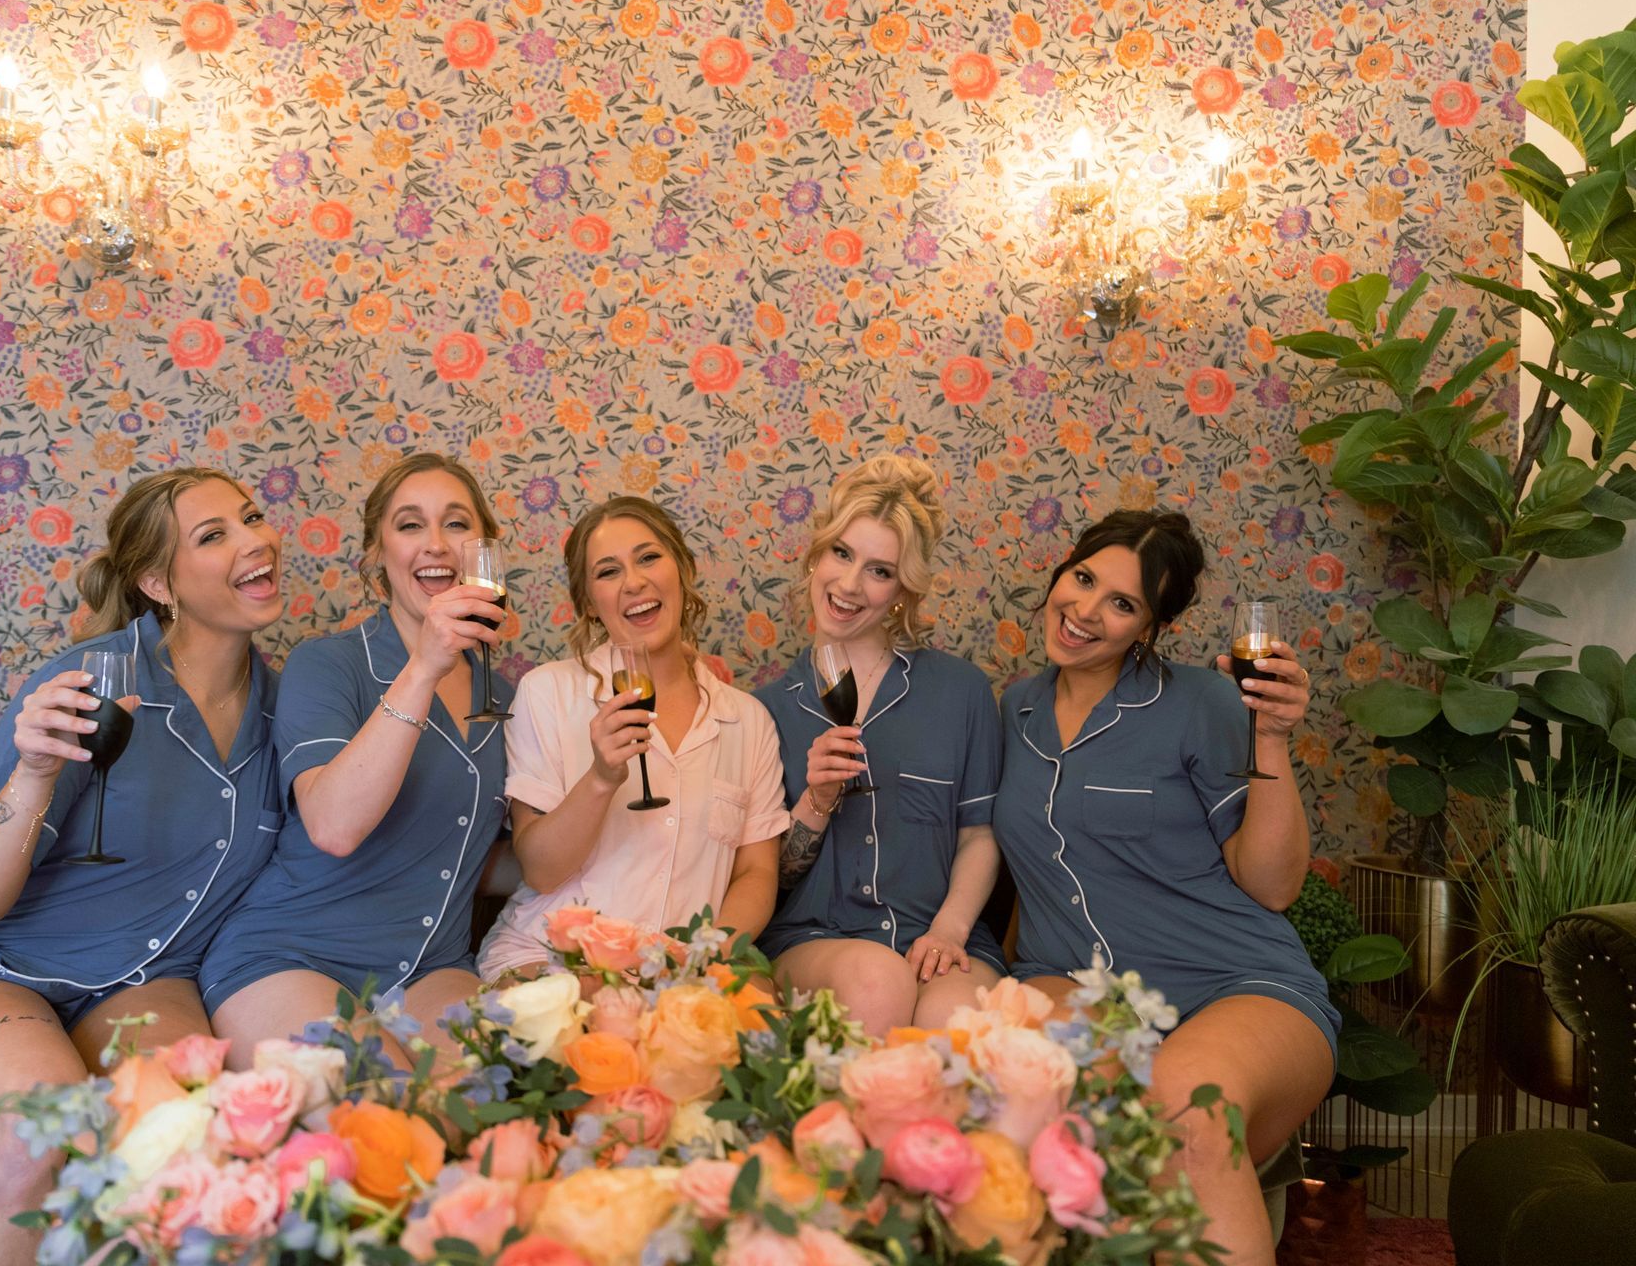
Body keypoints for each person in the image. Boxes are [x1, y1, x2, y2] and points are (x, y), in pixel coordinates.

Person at [0, 467, 285, 1265]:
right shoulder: (94, 684)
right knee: (30, 1128)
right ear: (158, 583)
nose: (255, 540)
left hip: (147, 979)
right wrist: (33, 773)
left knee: (190, 1141)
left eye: (252, 517)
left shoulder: (289, 709)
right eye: (214, 535)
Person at [993, 509, 1337, 1266]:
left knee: (1185, 1107)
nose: (1085, 610)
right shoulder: (1013, 711)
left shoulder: (1202, 702)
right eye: (1083, 578)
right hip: (1069, 979)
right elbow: (1017, 866)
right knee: (1041, 1103)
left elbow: (1273, 887)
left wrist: (1272, 738)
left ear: (1150, 628)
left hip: (1237, 981)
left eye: (1121, 603)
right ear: (1061, 572)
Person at [201, 453, 510, 1065]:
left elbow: (480, 854)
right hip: (291, 958)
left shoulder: (507, 698)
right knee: (380, 1101)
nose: (435, 544)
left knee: (501, 1098)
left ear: (484, 553)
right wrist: (425, 666)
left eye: (455, 523)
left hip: (430, 968)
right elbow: (333, 827)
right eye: (410, 525)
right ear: (377, 555)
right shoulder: (328, 665)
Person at [477, 496, 787, 981]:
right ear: (588, 603)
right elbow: (540, 871)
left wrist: (699, 963)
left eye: (648, 558)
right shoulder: (548, 693)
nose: (634, 582)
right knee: (599, 1007)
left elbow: (756, 872)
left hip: (682, 972)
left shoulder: (748, 721)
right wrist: (601, 778)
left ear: (682, 568)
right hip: (551, 958)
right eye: (608, 572)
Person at [753, 455, 1004, 1035]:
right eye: (841, 554)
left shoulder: (962, 691)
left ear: (902, 590)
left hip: (940, 934)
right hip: (814, 938)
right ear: (815, 556)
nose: (849, 585)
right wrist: (816, 800)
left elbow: (979, 834)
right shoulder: (764, 710)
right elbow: (775, 876)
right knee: (876, 983)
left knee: (958, 1020)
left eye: (879, 570)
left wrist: (948, 931)